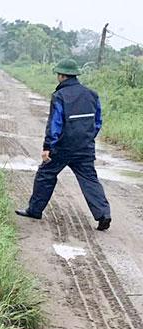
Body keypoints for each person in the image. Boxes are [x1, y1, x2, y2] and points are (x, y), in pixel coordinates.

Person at [15, 59, 112, 231]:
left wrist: (47, 147)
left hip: (62, 147)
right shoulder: (92, 94)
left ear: (61, 76)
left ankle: (35, 210)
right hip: (85, 147)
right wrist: (87, 139)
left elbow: (55, 124)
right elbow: (97, 122)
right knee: (89, 179)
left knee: (45, 174)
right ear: (75, 75)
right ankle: (103, 214)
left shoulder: (59, 96)